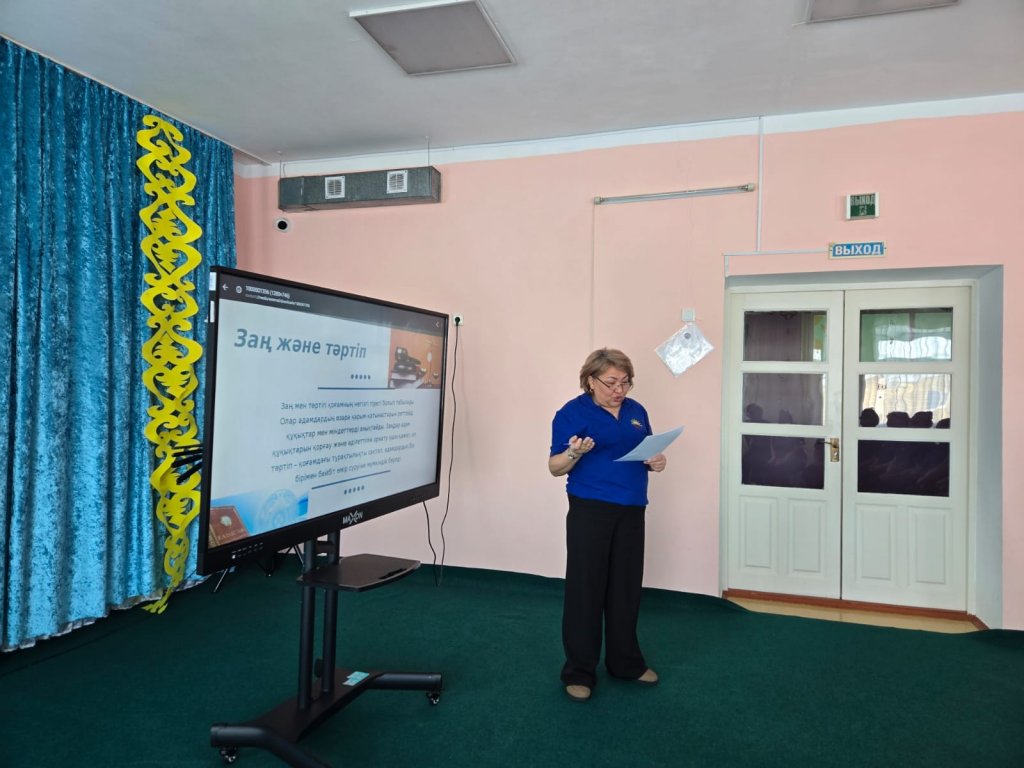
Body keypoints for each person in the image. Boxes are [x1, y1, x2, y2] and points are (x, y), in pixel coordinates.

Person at [548, 348, 667, 702]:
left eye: (625, 382)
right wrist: (575, 452)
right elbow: (555, 467)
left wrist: (656, 461)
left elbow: (646, 451)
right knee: (586, 589)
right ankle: (579, 671)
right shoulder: (571, 413)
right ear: (591, 381)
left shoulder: (636, 411)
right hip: (590, 509)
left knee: (625, 588)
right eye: (612, 382)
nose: (619, 390)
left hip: (632, 509)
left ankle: (625, 663)